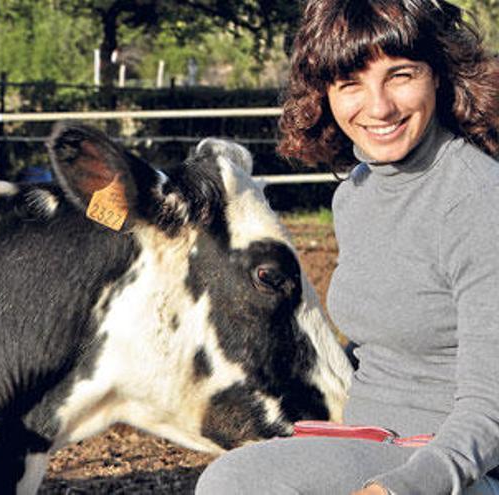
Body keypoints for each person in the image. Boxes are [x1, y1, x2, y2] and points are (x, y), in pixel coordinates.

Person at [195, 0, 499, 494]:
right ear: (325, 95)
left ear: (438, 77)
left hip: (461, 468)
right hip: (374, 445)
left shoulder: (479, 200)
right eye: (351, 83)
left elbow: (492, 406)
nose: (379, 107)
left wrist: (399, 489)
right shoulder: (354, 195)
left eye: (400, 75)